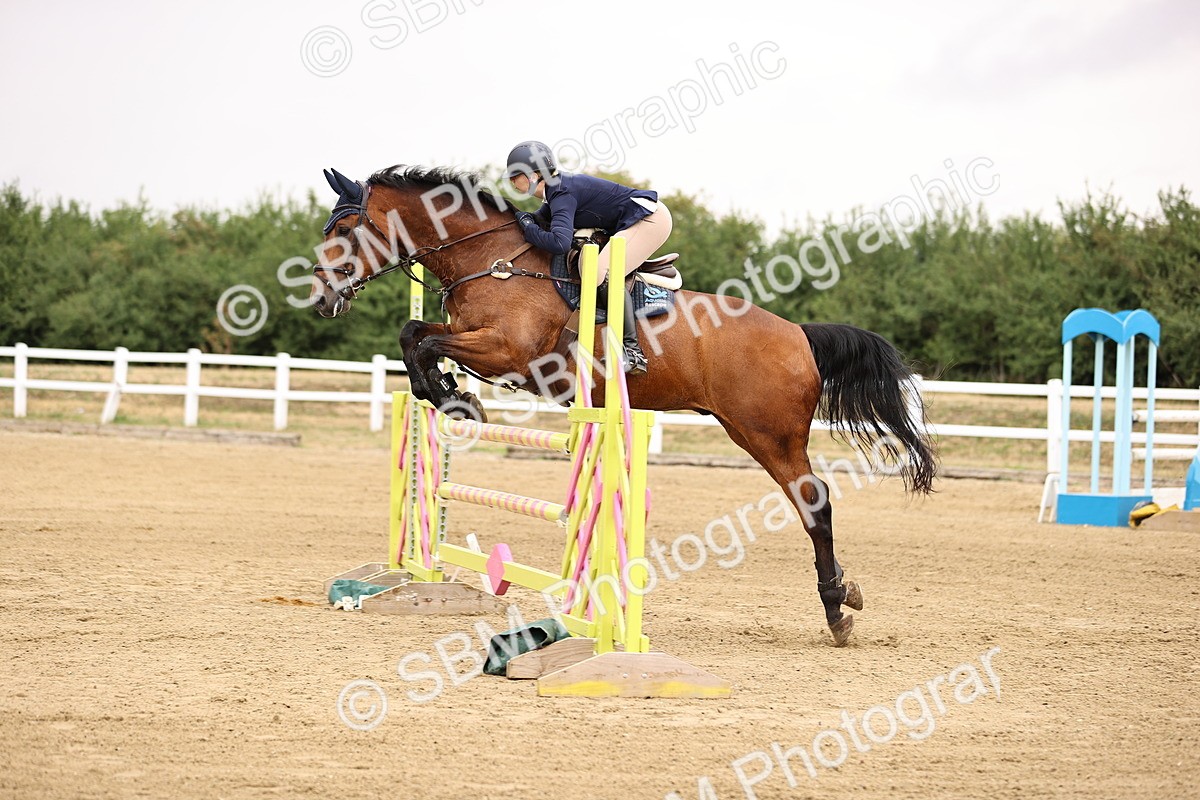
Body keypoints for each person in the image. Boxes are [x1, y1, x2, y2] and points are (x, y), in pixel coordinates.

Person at [504, 140, 673, 375]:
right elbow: (539, 219)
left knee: (600, 271)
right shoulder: (555, 192)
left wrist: (528, 227)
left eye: (515, 176)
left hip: (650, 220)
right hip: (638, 219)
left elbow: (559, 242)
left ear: (533, 175)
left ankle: (633, 352)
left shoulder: (561, 192)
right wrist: (522, 220)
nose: (512, 181)